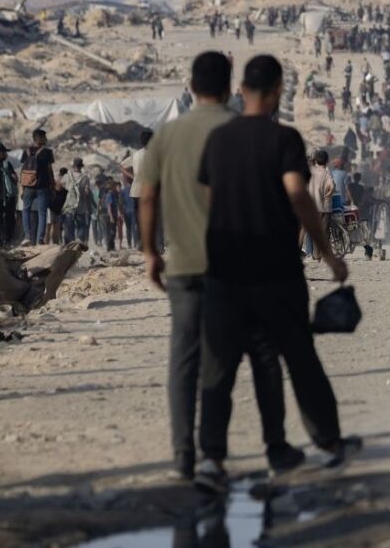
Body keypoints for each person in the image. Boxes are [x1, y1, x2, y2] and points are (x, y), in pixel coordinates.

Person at [195, 54, 358, 493]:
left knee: (221, 366)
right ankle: (324, 443)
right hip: (275, 270)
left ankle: (213, 458)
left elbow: (207, 203)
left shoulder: (218, 139)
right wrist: (327, 253)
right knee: (296, 357)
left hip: (225, 273)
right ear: (276, 92)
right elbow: (297, 195)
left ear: (243, 91)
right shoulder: (283, 139)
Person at [139, 51, 303, 481]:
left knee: (185, 360)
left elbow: (148, 197)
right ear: (231, 86)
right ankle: (273, 447)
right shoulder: (239, 131)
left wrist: (150, 252)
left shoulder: (166, 135)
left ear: (191, 86)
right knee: (259, 355)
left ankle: (185, 454)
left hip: (184, 265)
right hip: (237, 266)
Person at [20, 128, 54, 246]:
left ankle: (27, 236)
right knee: (42, 213)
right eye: (44, 137)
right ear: (40, 138)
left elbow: (24, 170)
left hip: (28, 186)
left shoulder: (27, 151)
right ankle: (40, 239)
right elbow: (50, 171)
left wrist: (23, 188)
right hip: (42, 187)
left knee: (26, 210)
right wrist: (52, 186)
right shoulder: (47, 152)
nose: (46, 139)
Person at [61, 158, 91, 245]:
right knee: (81, 226)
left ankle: (68, 245)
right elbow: (87, 193)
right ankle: (79, 244)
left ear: (73, 165)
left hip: (69, 206)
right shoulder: (85, 178)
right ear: (81, 166)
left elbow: (61, 187)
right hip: (80, 206)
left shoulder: (67, 176)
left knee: (68, 227)